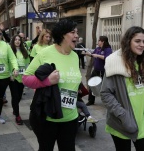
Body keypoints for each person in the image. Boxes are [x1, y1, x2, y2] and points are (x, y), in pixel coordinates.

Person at [22, 19, 81, 151]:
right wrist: (47, 81)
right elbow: (26, 79)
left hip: (70, 117)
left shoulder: (75, 56)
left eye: (77, 32)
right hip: (48, 118)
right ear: (62, 35)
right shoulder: (45, 53)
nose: (76, 36)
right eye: (73, 32)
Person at [100, 26, 144, 151]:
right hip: (121, 123)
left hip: (142, 121)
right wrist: (123, 116)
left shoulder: (142, 62)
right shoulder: (115, 62)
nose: (142, 45)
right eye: (137, 41)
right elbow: (105, 93)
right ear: (128, 41)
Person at [9, 34, 30, 125]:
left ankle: (14, 107)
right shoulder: (10, 52)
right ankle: (17, 115)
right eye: (15, 40)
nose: (17, 41)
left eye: (19, 40)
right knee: (15, 96)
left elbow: (27, 65)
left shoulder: (24, 51)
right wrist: (10, 74)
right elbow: (8, 64)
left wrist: (27, 74)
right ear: (13, 42)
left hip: (22, 77)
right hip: (13, 78)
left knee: (19, 96)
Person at [86, 36, 112, 106]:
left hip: (104, 71)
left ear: (103, 41)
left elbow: (107, 57)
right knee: (91, 84)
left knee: (105, 86)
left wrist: (97, 55)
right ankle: (91, 100)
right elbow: (93, 55)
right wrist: (89, 54)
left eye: (99, 40)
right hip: (96, 70)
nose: (98, 42)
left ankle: (107, 101)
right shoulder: (97, 49)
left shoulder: (108, 49)